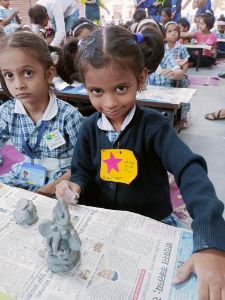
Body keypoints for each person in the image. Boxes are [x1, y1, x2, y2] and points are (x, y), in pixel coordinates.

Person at [55, 25, 225, 299]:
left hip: (152, 222)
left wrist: (210, 241)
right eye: (96, 91)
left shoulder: (154, 127)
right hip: (104, 225)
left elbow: (189, 168)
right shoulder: (88, 128)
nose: (109, 102)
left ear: (142, 78)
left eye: (121, 88)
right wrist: (75, 187)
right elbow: (82, 173)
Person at [0, 31, 83, 195]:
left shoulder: (69, 116)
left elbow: (83, 164)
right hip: (25, 174)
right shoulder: (7, 112)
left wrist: (44, 192)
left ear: (49, 74)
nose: (18, 84)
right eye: (9, 75)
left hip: (61, 181)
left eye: (28, 73)